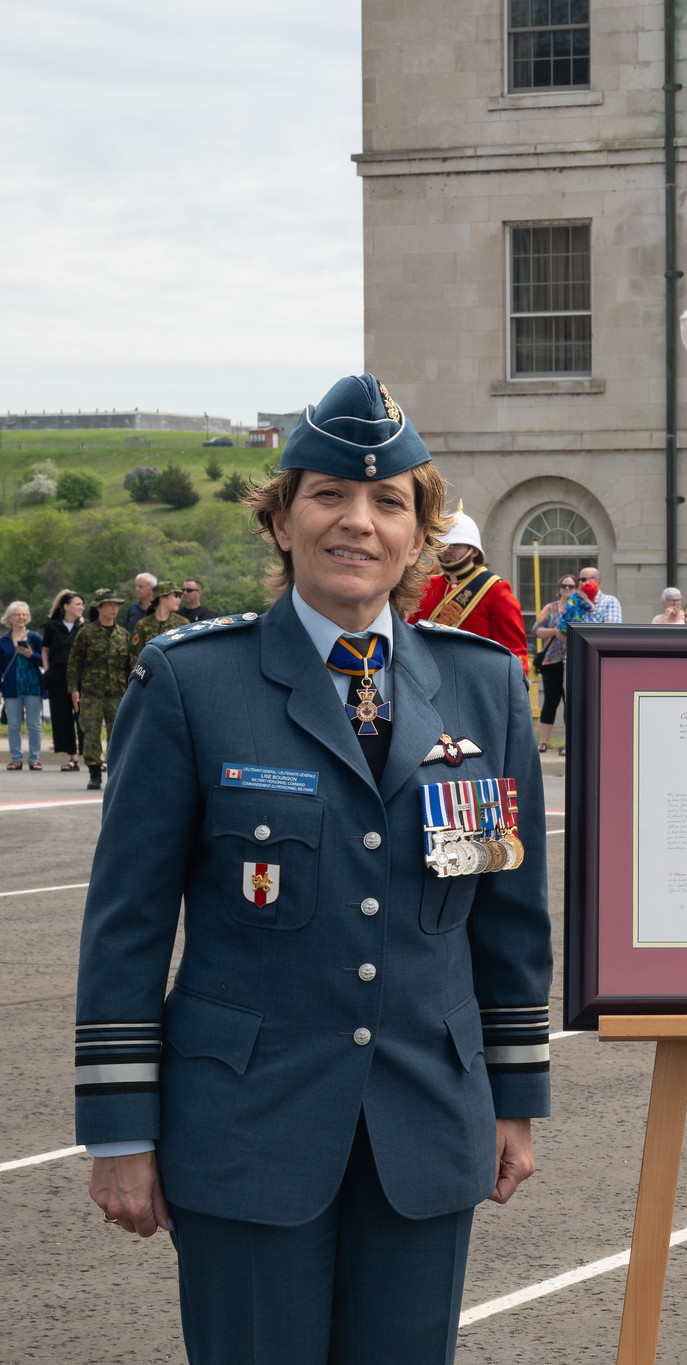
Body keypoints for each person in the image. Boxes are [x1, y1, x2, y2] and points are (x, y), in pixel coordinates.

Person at [75, 373, 551, 1365]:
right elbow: (126, 921)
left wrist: (514, 1097)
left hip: (424, 1123)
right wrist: (120, 1129)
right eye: (328, 494)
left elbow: (505, 916)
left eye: (387, 502)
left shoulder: (484, 688)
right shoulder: (191, 684)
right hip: (246, 1131)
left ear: (418, 536)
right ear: (282, 519)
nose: (357, 522)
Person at [408, 507, 531, 660]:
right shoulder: (427, 586)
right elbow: (412, 637)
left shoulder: (495, 589)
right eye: (444, 545)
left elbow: (513, 649)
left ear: (473, 551)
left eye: (456, 545)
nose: (448, 550)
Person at [71, 589, 131, 791]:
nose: (114, 608)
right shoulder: (86, 633)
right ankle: (95, 774)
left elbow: (130, 666)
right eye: (110, 605)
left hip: (117, 693)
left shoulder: (123, 635)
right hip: (92, 693)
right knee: (91, 734)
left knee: (118, 734)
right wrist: (73, 689)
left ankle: (115, 773)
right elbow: (74, 663)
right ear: (99, 608)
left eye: (116, 605)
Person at [42, 589, 83, 773]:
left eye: (82, 604)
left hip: (80, 677)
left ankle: (93, 755)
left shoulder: (85, 626)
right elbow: (45, 649)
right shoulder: (52, 626)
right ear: (66, 606)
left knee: (83, 715)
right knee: (63, 717)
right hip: (58, 676)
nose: (81, 607)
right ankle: (72, 757)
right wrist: (48, 670)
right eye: (77, 604)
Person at [533, 576, 575, 753]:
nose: (567, 589)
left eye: (571, 586)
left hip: (574, 659)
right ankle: (543, 742)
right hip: (552, 660)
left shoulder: (578, 609)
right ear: (559, 588)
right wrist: (555, 632)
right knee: (550, 701)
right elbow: (536, 630)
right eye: (564, 586)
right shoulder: (550, 608)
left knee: (570, 703)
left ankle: (569, 743)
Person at [1, 600, 45, 770]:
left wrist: (30, 655)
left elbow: (44, 661)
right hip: (12, 687)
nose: (21, 617)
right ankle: (16, 758)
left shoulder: (35, 638)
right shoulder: (3, 641)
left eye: (24, 614)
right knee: (13, 725)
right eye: (17, 614)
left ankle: (34, 758)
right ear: (9, 618)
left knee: (34, 724)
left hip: (33, 686)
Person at [131, 575, 185, 654]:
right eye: (176, 596)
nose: (179, 600)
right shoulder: (142, 625)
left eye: (180, 596)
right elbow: (135, 655)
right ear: (162, 597)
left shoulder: (183, 624)